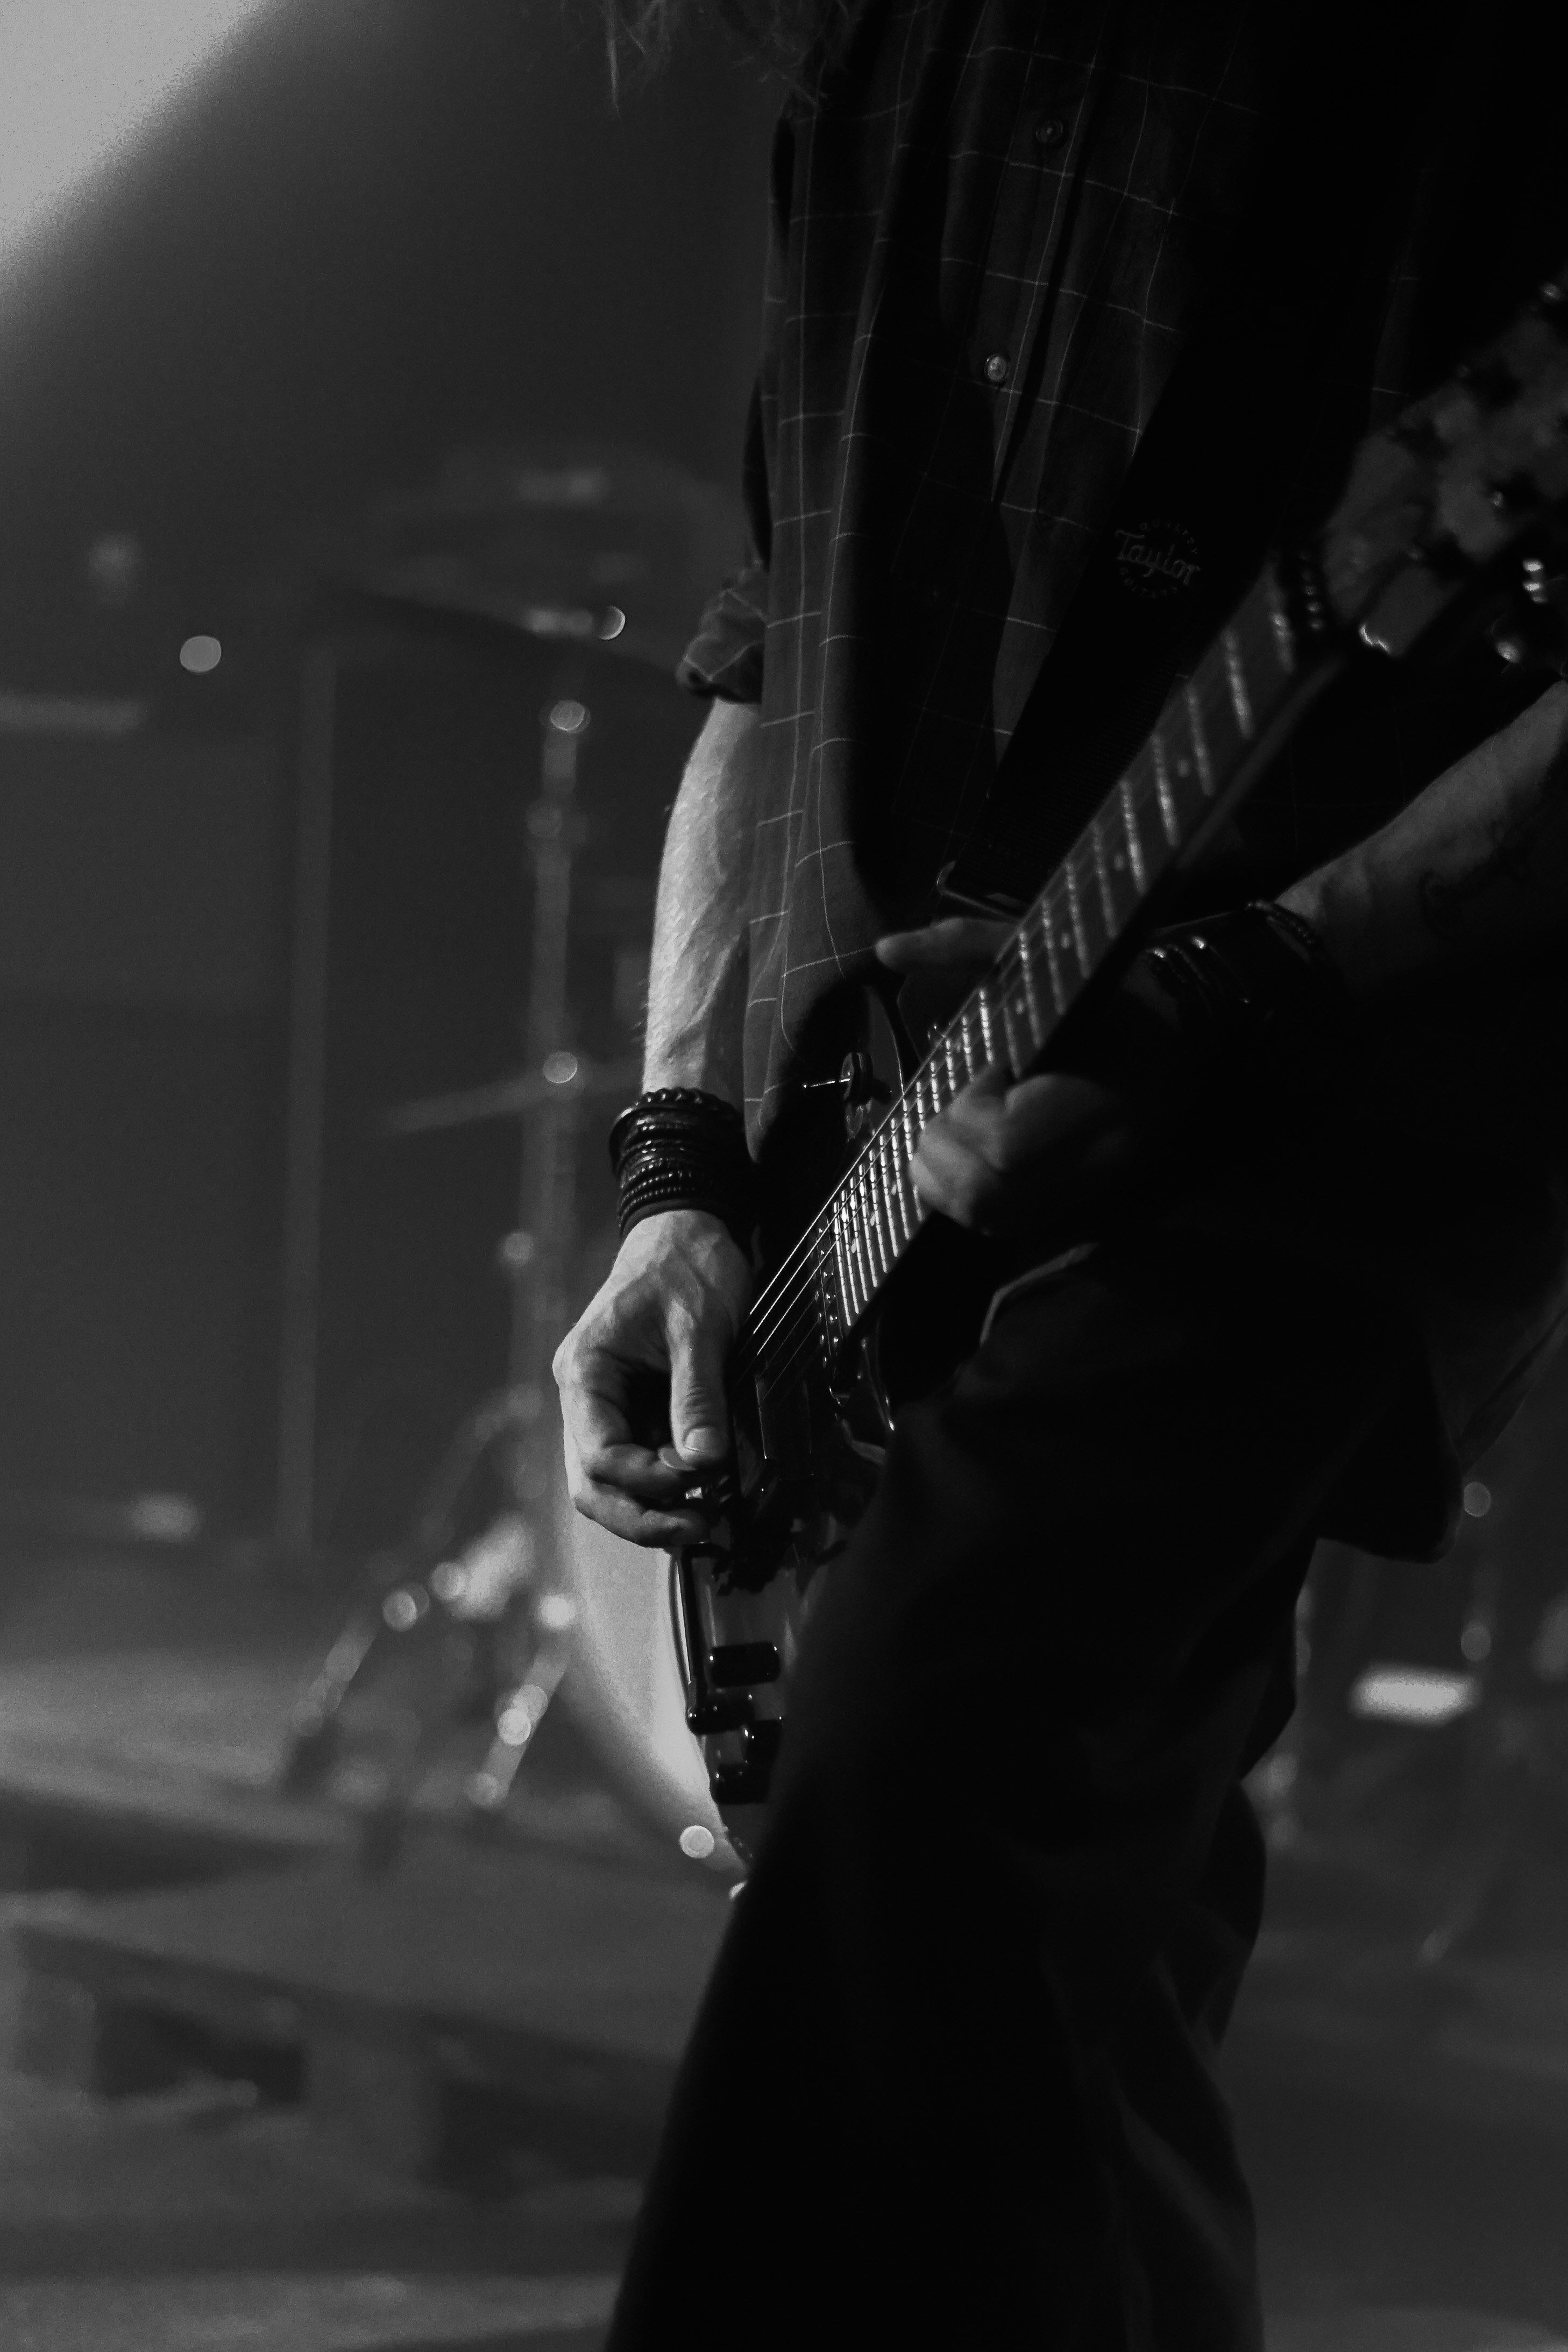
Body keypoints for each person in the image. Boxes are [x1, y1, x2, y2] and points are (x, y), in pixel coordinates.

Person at [554, 3, 1568, 2340]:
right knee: (1046, 2006)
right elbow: (764, 642)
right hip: (863, 1157)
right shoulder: (867, 59)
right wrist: (682, 1170)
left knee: (923, 1759)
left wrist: (1245, 1003)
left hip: (1315, 1103)